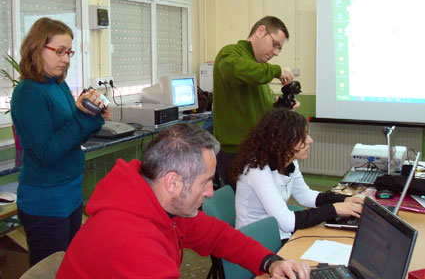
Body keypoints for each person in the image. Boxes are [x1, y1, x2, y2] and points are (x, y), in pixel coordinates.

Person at [57, 123, 310, 279]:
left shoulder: (160, 202)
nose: (211, 192)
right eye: (206, 182)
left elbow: (218, 235)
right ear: (173, 183)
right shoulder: (132, 241)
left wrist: (270, 262)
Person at [10, 17, 109, 266]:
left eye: (69, 52)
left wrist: (94, 116)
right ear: (37, 48)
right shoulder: (28, 93)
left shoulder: (58, 85)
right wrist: (83, 117)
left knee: (70, 265)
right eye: (60, 51)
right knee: (50, 270)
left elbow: (72, 139)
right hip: (46, 201)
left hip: (70, 193)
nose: (66, 59)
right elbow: (47, 152)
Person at [230, 108, 364, 241]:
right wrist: (333, 209)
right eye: (303, 136)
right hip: (256, 241)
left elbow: (305, 195)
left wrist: (343, 200)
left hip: (276, 232)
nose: (310, 140)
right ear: (284, 139)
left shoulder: (288, 161)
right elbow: (287, 222)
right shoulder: (258, 170)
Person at [213, 16, 298, 189]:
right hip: (237, 153)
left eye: (279, 49)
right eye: (275, 45)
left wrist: (279, 107)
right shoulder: (230, 53)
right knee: (248, 212)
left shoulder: (257, 67)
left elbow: (256, 109)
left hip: (257, 151)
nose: (275, 53)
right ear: (260, 31)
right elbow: (236, 70)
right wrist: (277, 70)